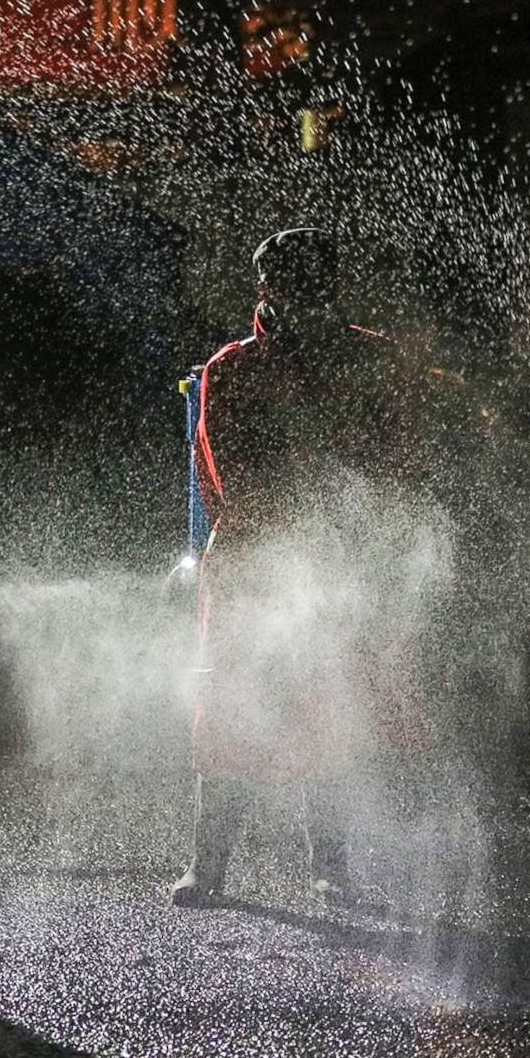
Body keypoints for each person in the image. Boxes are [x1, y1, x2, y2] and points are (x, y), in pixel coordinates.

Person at [172, 226, 435, 909]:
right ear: (268, 291)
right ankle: (210, 867)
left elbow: (398, 460)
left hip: (342, 562)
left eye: (316, 285)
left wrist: (362, 538)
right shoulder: (231, 369)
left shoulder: (375, 362)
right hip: (253, 564)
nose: (306, 298)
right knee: (229, 709)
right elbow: (223, 472)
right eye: (292, 286)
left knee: (332, 705)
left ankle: (332, 866)